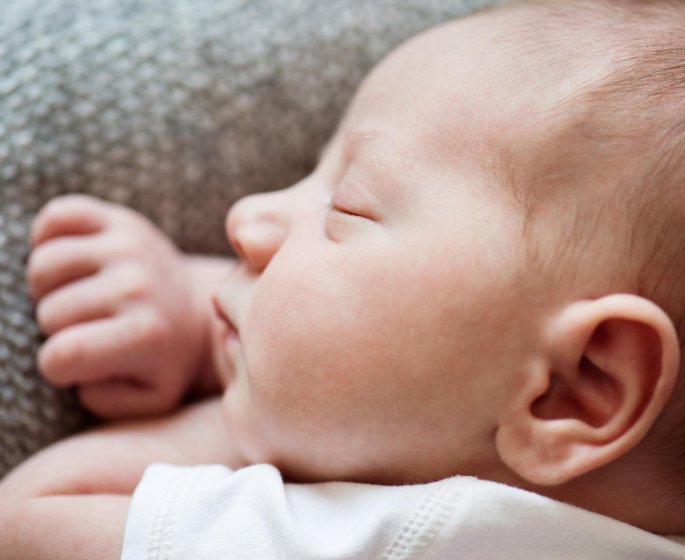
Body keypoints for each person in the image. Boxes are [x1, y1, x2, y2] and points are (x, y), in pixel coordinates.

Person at [2, 0, 685, 557]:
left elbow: (30, 522)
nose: (247, 218)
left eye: (347, 206)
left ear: (575, 388)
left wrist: (222, 382)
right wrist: (219, 316)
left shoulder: (417, 539)